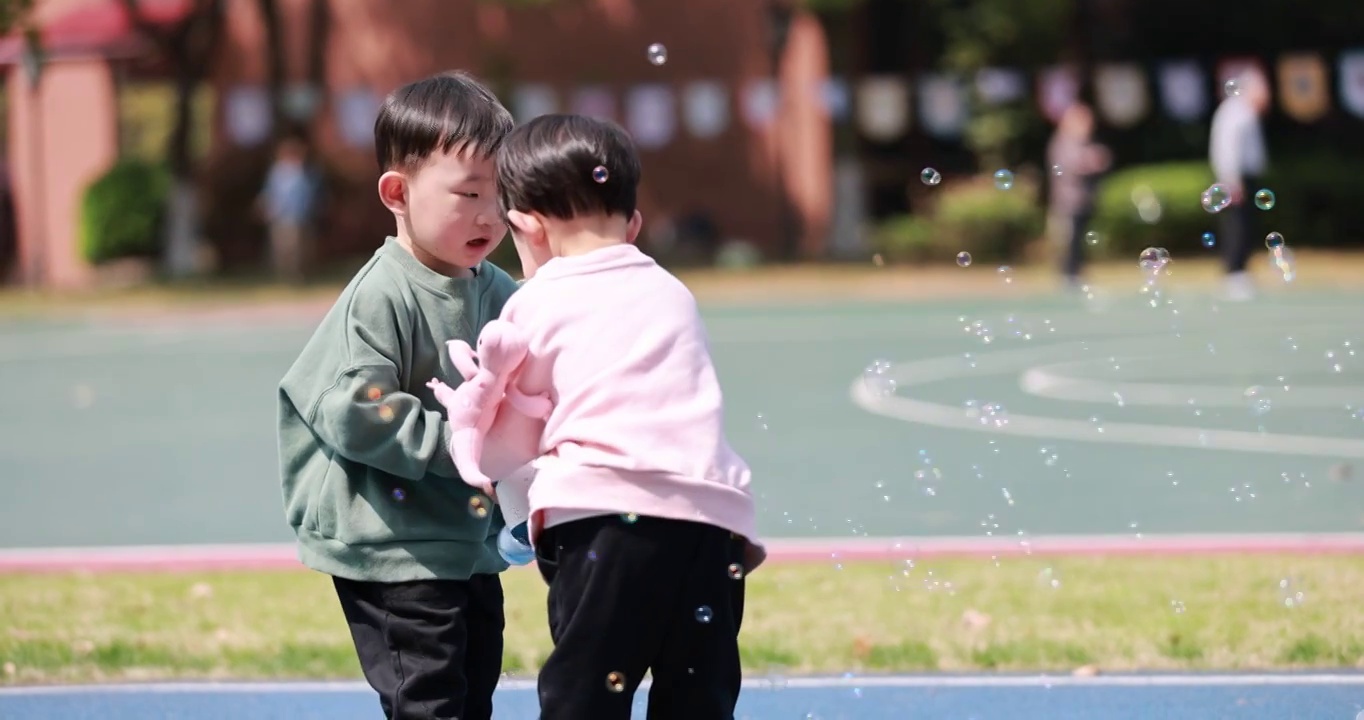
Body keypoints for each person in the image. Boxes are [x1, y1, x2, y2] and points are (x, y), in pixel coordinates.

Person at [480, 114, 763, 719]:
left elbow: (505, 447)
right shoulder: (673, 291)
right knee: (698, 694)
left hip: (606, 527)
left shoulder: (533, 303)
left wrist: (471, 446)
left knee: (585, 694)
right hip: (711, 525)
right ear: (633, 225)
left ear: (523, 225)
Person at [276, 71, 520, 720]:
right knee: (430, 698)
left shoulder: (498, 292)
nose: (489, 214)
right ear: (398, 193)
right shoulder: (382, 295)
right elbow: (359, 407)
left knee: (473, 685)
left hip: (464, 541)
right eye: (468, 193)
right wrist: (465, 447)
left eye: (502, 195)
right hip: (391, 541)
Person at [1209, 68, 1271, 301]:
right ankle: (1234, 273)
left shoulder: (1246, 111)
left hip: (1248, 175)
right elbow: (1227, 148)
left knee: (1247, 224)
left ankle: (1242, 270)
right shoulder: (1235, 111)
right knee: (1237, 224)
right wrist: (1232, 179)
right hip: (1237, 176)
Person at [1045, 102, 1111, 287]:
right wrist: (1091, 161)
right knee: (1070, 242)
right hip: (1068, 202)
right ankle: (1068, 277)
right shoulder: (1063, 141)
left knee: (1080, 242)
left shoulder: (1083, 142)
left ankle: (1077, 275)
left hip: (1083, 201)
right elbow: (1071, 166)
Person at [259, 133, 320, 283]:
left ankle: (297, 275)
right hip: (280, 217)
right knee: (281, 248)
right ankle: (283, 275)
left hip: (298, 217)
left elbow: (308, 195)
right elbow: (270, 192)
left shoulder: (304, 173)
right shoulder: (277, 172)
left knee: (298, 249)